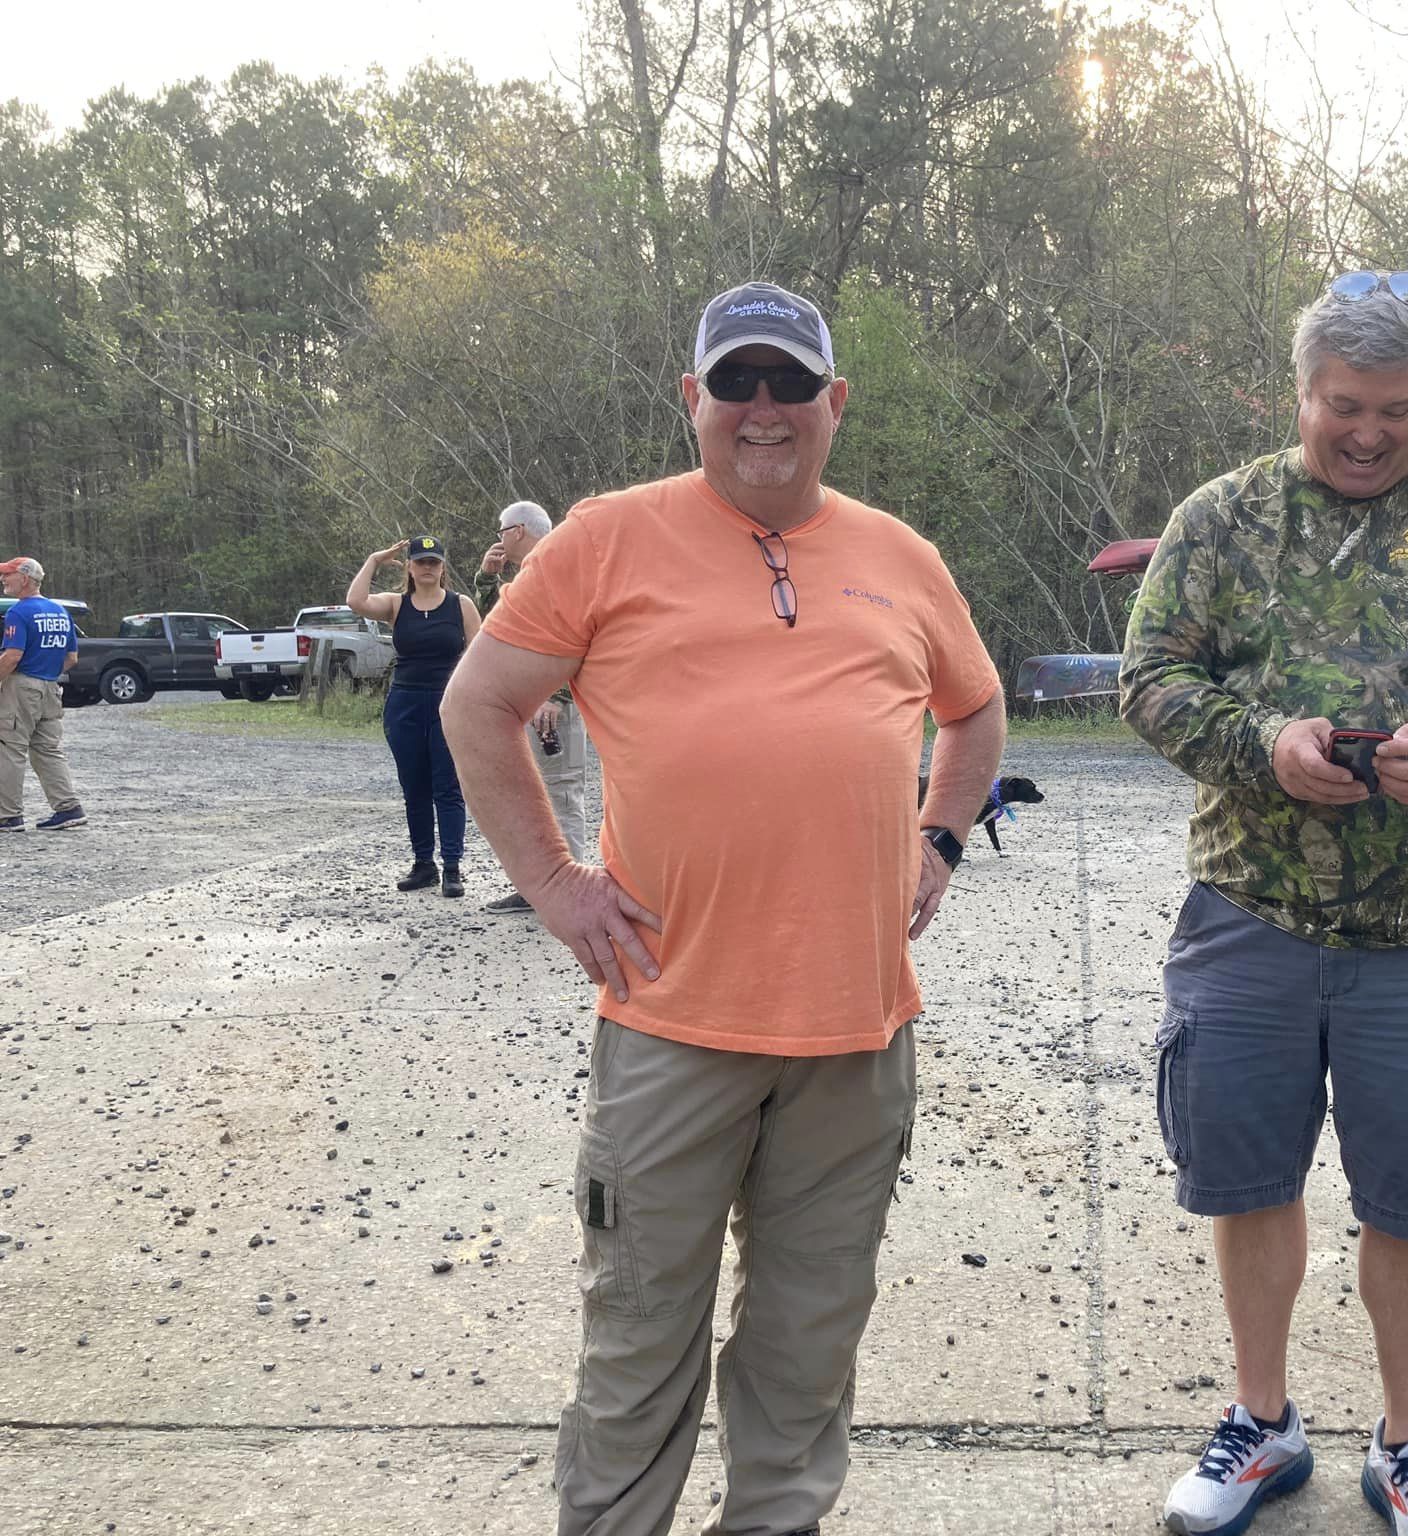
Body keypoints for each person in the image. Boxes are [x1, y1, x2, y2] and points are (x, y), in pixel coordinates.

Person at [440, 280, 1004, 1536]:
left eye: (790, 385)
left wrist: (940, 838)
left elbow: (973, 710)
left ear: (832, 403)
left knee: (806, 1352)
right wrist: (550, 882)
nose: (763, 409)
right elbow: (476, 708)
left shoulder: (898, 554)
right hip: (669, 1020)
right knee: (639, 1342)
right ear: (692, 399)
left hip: (855, 1036)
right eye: (735, 384)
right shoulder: (604, 538)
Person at [1120, 270, 1408, 1536]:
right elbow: (1149, 677)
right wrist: (1258, 744)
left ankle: (1405, 1443)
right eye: (1343, 406)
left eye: (1395, 408)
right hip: (1247, 913)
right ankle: (1262, 1423)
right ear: (1301, 392)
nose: (1368, 431)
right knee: (1244, 1176)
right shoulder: (1220, 520)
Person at [347, 534, 481, 896]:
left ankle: (452, 867)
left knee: (448, 786)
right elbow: (356, 601)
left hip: (448, 703)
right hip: (405, 704)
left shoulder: (460, 605)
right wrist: (374, 559)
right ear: (409, 566)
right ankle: (424, 864)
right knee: (415, 787)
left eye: (433, 562)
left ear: (442, 568)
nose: (427, 568)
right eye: (420, 562)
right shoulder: (396, 605)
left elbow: (481, 654)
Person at [474, 499, 588, 914]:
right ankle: (537, 887)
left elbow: (575, 630)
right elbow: (499, 626)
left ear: (517, 531)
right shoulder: (530, 572)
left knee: (562, 791)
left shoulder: (557, 564)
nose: (499, 539)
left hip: (555, 705)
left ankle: (572, 888)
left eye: (501, 531)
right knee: (533, 795)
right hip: (529, 702)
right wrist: (487, 580)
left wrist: (555, 696)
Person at [0, 556, 86, 832]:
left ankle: (8, 816)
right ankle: (68, 809)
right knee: (48, 750)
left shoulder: (18, 612)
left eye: (7, 574)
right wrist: (45, 672)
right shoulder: (60, 612)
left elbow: (12, 656)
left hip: (21, 687)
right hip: (51, 686)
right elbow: (71, 657)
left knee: (9, 749)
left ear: (24, 579)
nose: (3, 579)